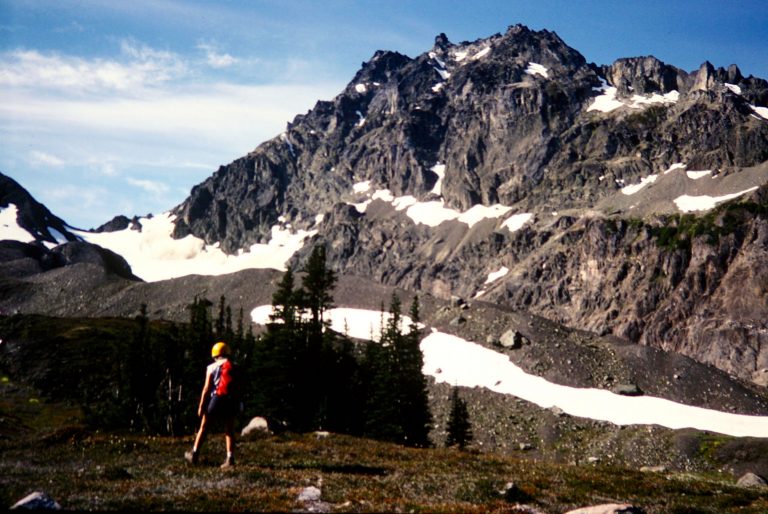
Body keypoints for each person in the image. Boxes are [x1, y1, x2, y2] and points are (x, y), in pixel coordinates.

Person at [185, 341, 239, 468]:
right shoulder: (234, 366)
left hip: (216, 399)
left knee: (204, 426)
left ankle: (194, 454)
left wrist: (201, 406)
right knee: (229, 429)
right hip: (230, 399)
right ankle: (230, 458)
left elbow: (206, 388)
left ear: (215, 354)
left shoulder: (211, 367)